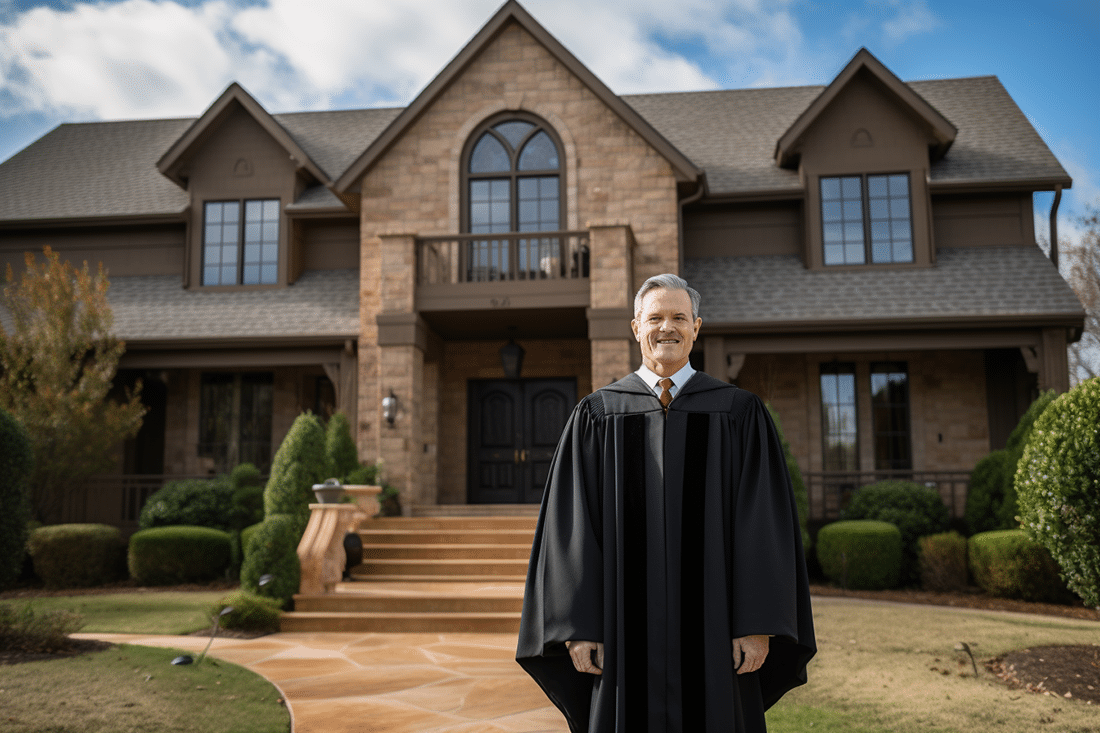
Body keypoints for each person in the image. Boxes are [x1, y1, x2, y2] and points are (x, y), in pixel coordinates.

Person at [516, 273, 816, 733]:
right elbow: (571, 526)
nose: (667, 328)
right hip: (620, 631)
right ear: (636, 327)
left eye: (679, 317)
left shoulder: (738, 413)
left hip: (716, 629)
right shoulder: (598, 415)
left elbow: (762, 524)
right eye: (655, 317)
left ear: (697, 327)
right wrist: (578, 625)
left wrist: (756, 623)